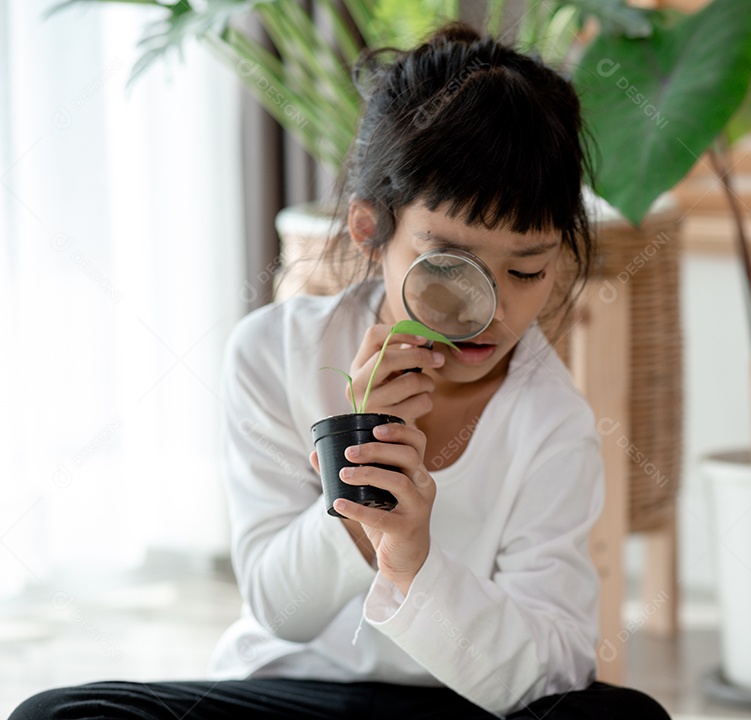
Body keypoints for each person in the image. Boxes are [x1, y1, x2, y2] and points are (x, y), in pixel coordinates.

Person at [11, 22, 671, 720]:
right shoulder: (274, 353)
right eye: (450, 263)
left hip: (462, 705)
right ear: (370, 229)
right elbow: (281, 610)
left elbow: (551, 670)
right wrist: (361, 496)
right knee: (55, 715)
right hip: (290, 692)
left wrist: (412, 558)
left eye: (528, 270)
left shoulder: (554, 421)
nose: (492, 307)